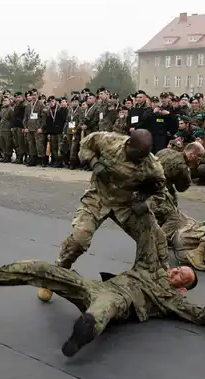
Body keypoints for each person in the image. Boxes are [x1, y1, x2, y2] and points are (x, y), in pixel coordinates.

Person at [0, 249, 205, 357]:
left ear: (182, 289)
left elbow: (203, 317)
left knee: (103, 308)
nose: (176, 270)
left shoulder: (171, 300)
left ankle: (83, 334)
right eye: (179, 268)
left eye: (182, 275)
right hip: (94, 285)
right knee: (43, 270)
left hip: (119, 299)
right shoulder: (151, 268)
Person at [37, 129, 169, 302]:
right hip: (98, 197)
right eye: (136, 155)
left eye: (143, 156)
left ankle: (159, 282)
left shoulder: (152, 166)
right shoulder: (109, 141)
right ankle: (55, 275)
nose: (139, 160)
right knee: (79, 240)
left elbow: (161, 192)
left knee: (155, 238)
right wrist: (94, 162)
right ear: (128, 144)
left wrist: (146, 203)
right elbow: (85, 145)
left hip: (127, 204)